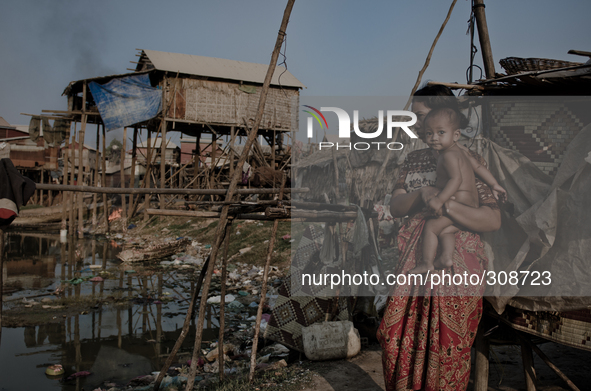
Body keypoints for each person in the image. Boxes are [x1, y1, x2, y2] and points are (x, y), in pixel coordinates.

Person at [376, 85, 501, 391]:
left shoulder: (468, 158)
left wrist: (448, 206)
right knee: (394, 339)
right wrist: (423, 193)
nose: (418, 124)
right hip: (416, 260)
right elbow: (396, 205)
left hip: (456, 264)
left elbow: (492, 219)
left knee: (448, 348)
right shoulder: (414, 160)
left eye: (421, 116)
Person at [409, 107, 506, 274]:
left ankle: (426, 263)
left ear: (456, 135)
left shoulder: (448, 156)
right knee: (445, 230)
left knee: (431, 227)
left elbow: (456, 179)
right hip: (470, 203)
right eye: (429, 134)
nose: (434, 138)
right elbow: (477, 167)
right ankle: (446, 257)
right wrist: (494, 184)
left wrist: (440, 200)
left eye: (440, 133)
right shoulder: (459, 151)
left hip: (460, 201)